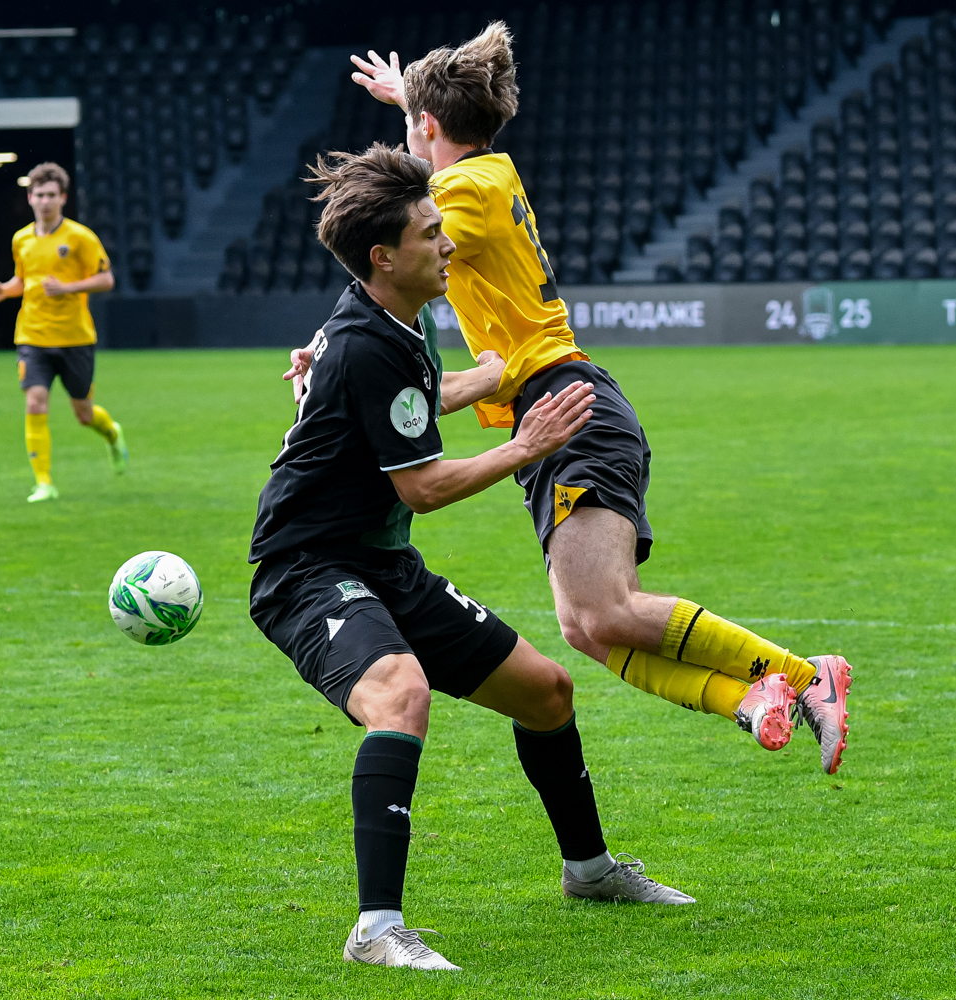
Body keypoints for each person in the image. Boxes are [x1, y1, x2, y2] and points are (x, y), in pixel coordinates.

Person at [286, 23, 852, 774]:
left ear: (430, 128)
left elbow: (385, 232)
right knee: (588, 628)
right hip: (550, 400)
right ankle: (753, 699)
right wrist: (411, 107)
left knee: (606, 610)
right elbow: (414, 217)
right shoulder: (486, 175)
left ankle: (807, 676)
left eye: (418, 128)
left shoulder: (461, 192)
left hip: (566, 406)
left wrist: (333, 341)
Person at [250, 145, 694, 973]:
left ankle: (589, 870)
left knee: (546, 692)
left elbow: (417, 396)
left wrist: (487, 376)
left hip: (383, 563)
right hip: (307, 569)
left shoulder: (399, 319)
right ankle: (376, 929)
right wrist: (525, 445)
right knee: (400, 694)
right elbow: (421, 486)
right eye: (429, 234)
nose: (448, 242)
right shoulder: (365, 343)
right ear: (384, 257)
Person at [0, 161, 126, 503]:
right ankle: (44, 483)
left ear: (63, 197)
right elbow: (25, 280)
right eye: (39, 195)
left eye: (51, 195)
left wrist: (68, 288)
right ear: (29, 198)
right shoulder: (21, 239)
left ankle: (111, 433)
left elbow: (106, 279)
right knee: (35, 402)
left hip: (75, 337)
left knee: (84, 413)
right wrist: (4, 290)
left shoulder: (80, 237)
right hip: (32, 335)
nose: (45, 201)